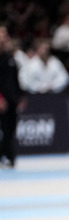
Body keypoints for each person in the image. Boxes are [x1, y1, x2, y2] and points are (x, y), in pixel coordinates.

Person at [0, 26, 26, 168]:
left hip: (12, 99)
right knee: (4, 129)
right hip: (1, 100)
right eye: (1, 34)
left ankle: (9, 156)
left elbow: (15, 79)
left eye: (5, 34)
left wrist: (21, 96)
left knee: (11, 129)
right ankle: (9, 156)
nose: (4, 37)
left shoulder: (10, 57)